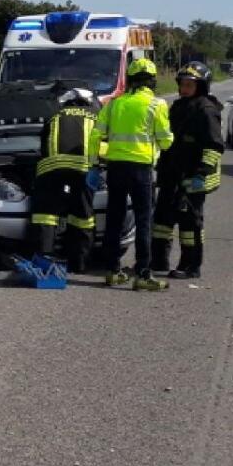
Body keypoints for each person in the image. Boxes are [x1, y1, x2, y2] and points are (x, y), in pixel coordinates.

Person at [90, 58, 174, 291]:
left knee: (114, 220)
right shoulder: (156, 105)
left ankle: (112, 270)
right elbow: (166, 141)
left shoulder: (115, 104)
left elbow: (96, 135)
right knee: (143, 221)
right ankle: (143, 274)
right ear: (152, 81)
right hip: (141, 170)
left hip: (115, 167)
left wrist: (93, 164)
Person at [151, 62, 225, 279]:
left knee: (190, 224)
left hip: (194, 177)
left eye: (189, 85)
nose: (184, 88)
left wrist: (201, 174)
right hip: (171, 174)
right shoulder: (178, 106)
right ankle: (158, 262)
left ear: (201, 86)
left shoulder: (206, 110)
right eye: (182, 84)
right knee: (162, 220)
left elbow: (214, 146)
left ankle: (190, 266)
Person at [30, 87, 101, 272]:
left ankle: (44, 260)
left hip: (52, 169)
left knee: (46, 215)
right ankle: (80, 263)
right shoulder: (95, 117)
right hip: (83, 170)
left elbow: (43, 146)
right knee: (82, 217)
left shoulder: (54, 116)